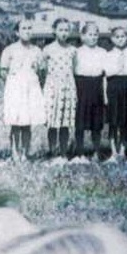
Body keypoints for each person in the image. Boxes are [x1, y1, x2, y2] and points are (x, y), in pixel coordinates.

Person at [0, 20, 45, 162]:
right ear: (17, 32)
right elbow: (3, 70)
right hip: (15, 88)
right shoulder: (10, 50)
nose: (27, 31)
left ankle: (25, 153)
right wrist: (14, 82)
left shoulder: (37, 51)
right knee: (16, 121)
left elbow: (41, 71)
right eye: (24, 28)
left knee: (27, 122)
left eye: (29, 28)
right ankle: (15, 153)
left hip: (31, 87)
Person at [42, 18, 77, 158]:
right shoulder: (47, 49)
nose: (63, 33)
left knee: (65, 122)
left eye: (66, 30)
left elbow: (73, 69)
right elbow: (43, 70)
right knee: (53, 122)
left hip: (68, 87)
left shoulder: (73, 50)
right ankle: (52, 151)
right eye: (61, 30)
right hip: (52, 87)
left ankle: (63, 153)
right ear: (54, 31)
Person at [74, 22, 108, 159]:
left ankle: (96, 151)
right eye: (90, 34)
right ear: (82, 36)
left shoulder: (103, 52)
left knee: (96, 123)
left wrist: (105, 95)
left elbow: (105, 74)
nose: (93, 37)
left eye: (96, 34)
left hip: (97, 86)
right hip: (81, 86)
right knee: (80, 122)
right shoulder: (76, 52)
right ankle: (80, 152)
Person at [105, 27, 127, 159]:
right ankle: (113, 151)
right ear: (112, 39)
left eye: (123, 36)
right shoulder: (108, 55)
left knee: (124, 120)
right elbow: (107, 73)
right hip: (113, 86)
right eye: (117, 37)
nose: (120, 39)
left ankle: (123, 150)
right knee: (113, 120)